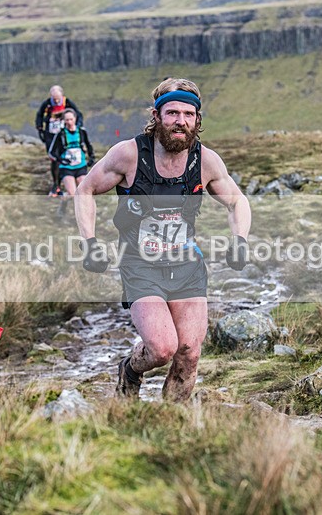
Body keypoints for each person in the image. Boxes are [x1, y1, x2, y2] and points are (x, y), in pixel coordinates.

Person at [74, 78, 251, 402]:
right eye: (171, 113)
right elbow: (85, 189)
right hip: (140, 264)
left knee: (189, 352)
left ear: (198, 120)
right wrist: (90, 242)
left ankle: (170, 425)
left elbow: (237, 200)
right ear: (156, 115)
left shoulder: (205, 161)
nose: (179, 121)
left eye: (188, 114)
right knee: (162, 347)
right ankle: (130, 368)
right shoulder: (128, 155)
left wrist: (239, 239)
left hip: (186, 264)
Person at [36, 85, 83, 196]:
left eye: (58, 98)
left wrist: (78, 126)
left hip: (63, 135)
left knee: (66, 157)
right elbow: (39, 115)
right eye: (54, 98)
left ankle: (69, 181)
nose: (56, 101)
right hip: (51, 135)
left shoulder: (67, 102)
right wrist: (40, 129)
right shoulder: (47, 104)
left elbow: (78, 114)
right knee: (54, 159)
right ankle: (56, 185)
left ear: (62, 95)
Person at [49, 108, 94, 216]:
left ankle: (85, 215)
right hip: (66, 168)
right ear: (64, 121)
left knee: (85, 193)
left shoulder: (82, 132)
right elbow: (51, 152)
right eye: (67, 120)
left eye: (71, 119)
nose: (69, 122)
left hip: (81, 166)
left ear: (75, 119)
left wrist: (91, 158)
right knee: (73, 194)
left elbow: (89, 145)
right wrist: (61, 160)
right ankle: (63, 204)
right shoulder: (60, 134)